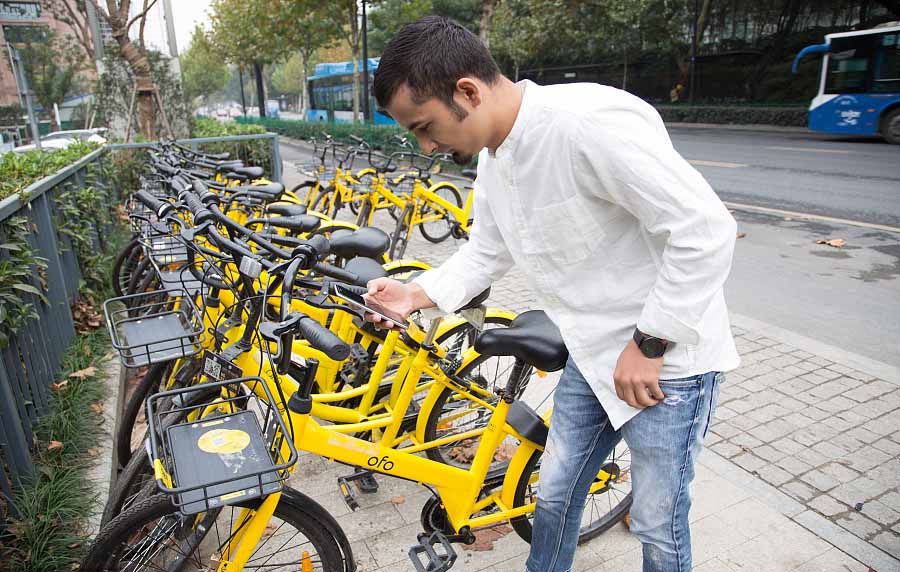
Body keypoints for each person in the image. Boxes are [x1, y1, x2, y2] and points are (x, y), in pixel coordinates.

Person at [365, 15, 740, 572]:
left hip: (667, 365)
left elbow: (705, 229)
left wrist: (651, 342)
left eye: (424, 125)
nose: (426, 144)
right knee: (556, 495)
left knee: (659, 522)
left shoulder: (587, 123)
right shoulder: (496, 157)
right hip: (590, 356)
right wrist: (415, 293)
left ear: (467, 91)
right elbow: (487, 251)